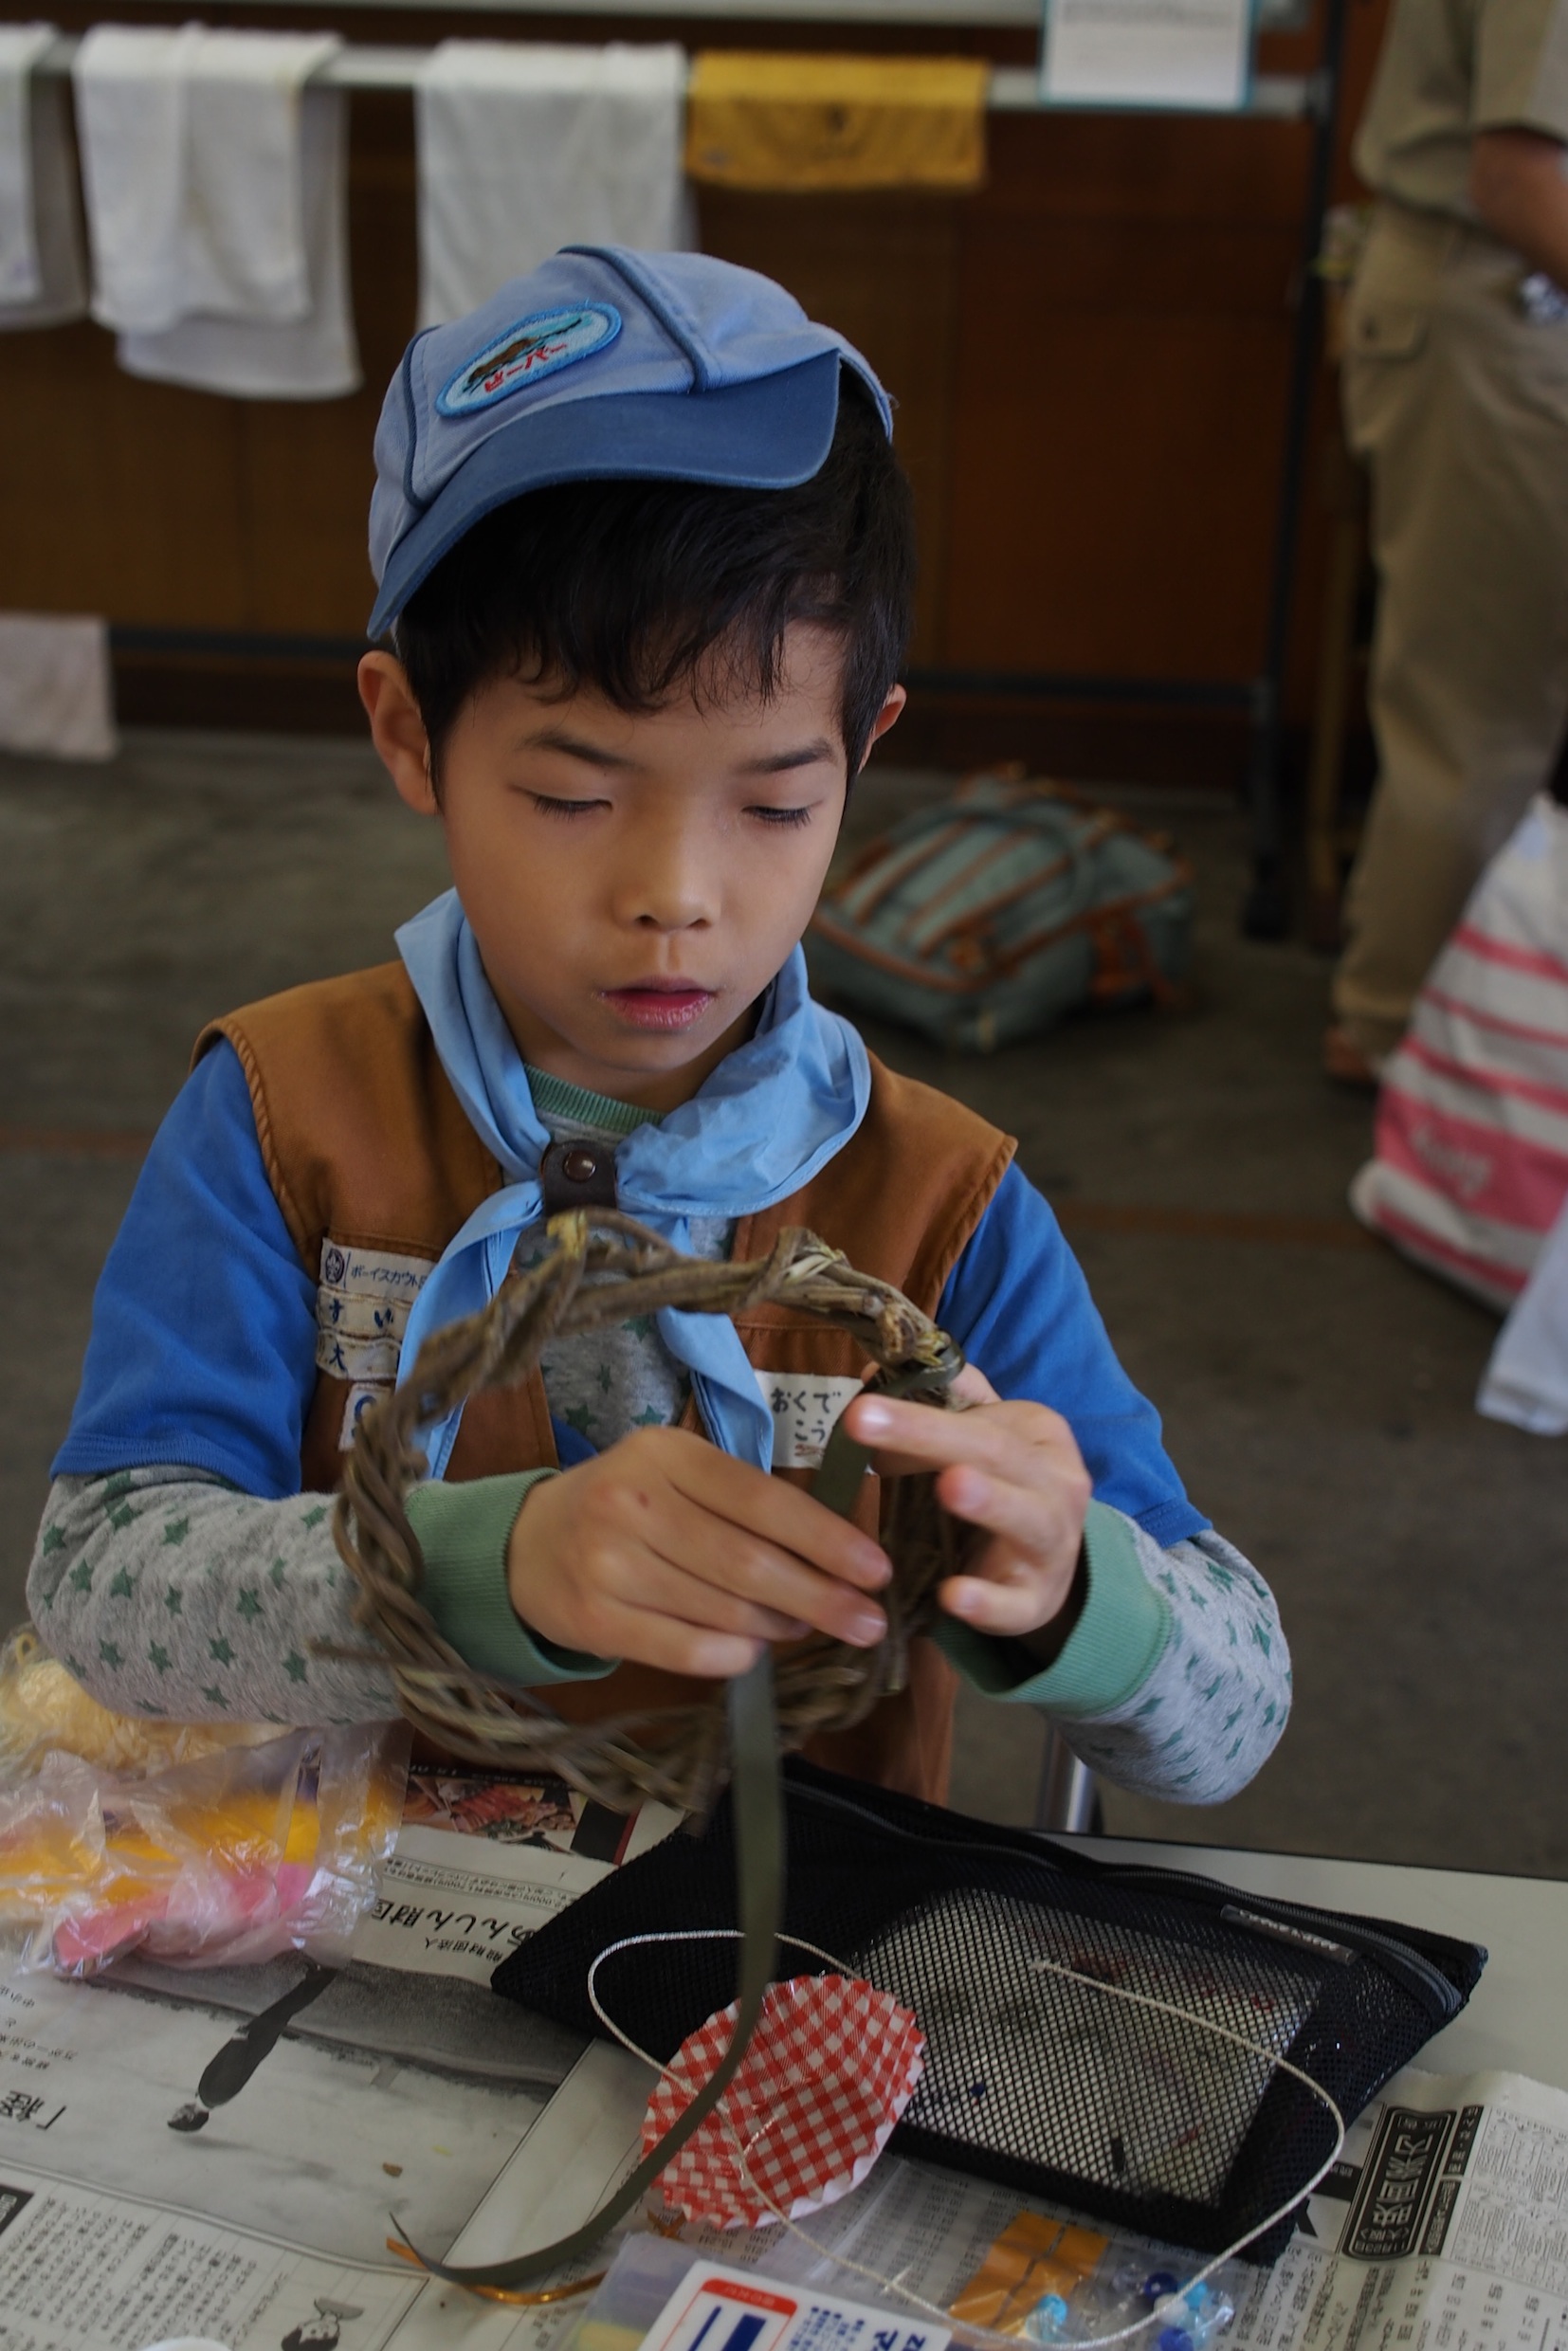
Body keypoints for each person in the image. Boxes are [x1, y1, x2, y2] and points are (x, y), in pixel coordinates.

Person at [28, 249, 1288, 1808]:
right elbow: (98, 1586)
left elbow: (1231, 1721)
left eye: (774, 804)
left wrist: (1075, 1591)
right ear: (408, 733)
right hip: (350, 1908)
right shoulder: (288, 1121)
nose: (674, 898)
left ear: (863, 751)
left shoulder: (937, 1207)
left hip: (790, 1944)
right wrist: (478, 1564)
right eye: (573, 796)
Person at [1326, 0, 1568, 1083]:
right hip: (1497, 311)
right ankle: (1410, 1049)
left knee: (1484, 711)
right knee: (1476, 720)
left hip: (1504, 309)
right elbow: (1518, 177)